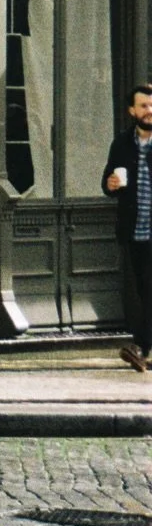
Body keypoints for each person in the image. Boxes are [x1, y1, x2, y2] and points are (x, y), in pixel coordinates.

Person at [103, 82, 152, 375]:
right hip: (136, 231)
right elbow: (107, 181)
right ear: (132, 110)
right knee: (145, 290)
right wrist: (110, 184)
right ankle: (143, 348)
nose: (150, 110)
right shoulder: (122, 143)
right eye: (144, 106)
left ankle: (141, 347)